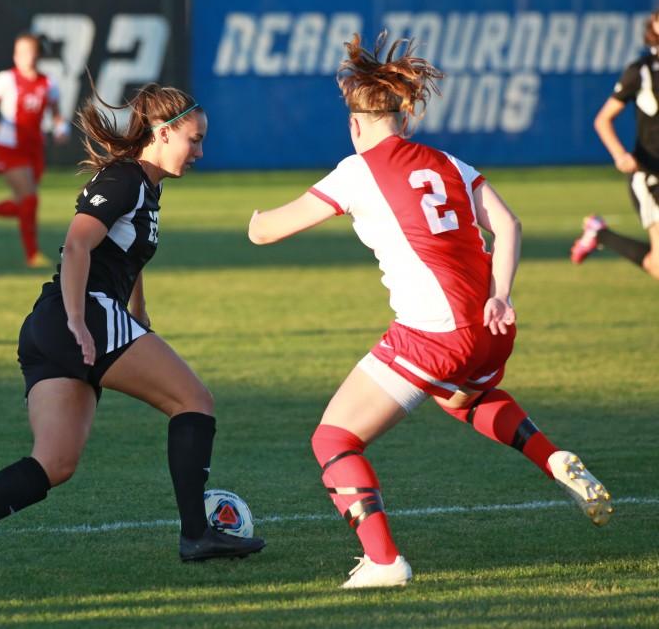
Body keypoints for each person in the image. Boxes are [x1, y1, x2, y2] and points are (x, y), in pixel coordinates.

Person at [248, 32, 613, 589]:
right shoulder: (449, 162)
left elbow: (266, 232)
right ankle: (552, 456)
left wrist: (252, 219)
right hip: (491, 328)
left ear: (356, 121)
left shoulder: (356, 171)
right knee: (462, 395)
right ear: (403, 116)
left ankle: (384, 562)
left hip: (433, 334)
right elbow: (510, 225)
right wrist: (502, 293)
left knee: (334, 439)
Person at [0, 82, 266, 567]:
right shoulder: (125, 178)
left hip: (52, 325)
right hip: (78, 314)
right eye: (195, 139)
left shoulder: (146, 186)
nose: (201, 151)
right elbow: (77, 244)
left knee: (55, 463)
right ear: (162, 134)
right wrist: (81, 321)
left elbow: (127, 255)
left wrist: (138, 314)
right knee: (195, 402)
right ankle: (196, 535)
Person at [0, 33, 69, 268]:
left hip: (34, 149)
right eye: (18, 52)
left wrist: (62, 128)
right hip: (9, 148)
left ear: (37, 54)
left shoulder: (47, 83)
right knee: (30, 199)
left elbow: (56, 112)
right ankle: (32, 255)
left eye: (27, 51)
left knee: (25, 203)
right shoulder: (6, 79)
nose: (22, 57)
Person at [571, 11, 659, 279]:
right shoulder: (642, 71)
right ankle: (602, 235)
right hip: (651, 174)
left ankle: (600, 233)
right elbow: (603, 120)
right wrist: (621, 155)